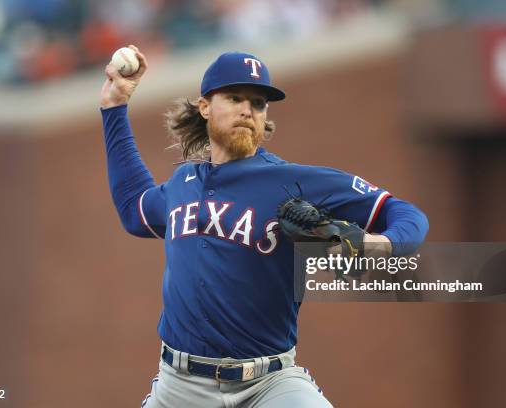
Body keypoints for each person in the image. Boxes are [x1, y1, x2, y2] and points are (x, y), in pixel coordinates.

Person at [100, 45, 429, 407]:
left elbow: (407, 215)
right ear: (205, 107)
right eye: (235, 97)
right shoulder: (182, 185)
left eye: (258, 103)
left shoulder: (293, 181)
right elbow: (134, 209)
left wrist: (381, 243)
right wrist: (114, 107)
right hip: (180, 387)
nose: (247, 109)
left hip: (269, 384)